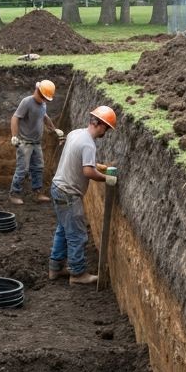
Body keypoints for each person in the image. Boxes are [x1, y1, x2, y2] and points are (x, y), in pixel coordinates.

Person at [48, 106, 118, 286]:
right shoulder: (89, 144)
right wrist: (106, 178)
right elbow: (87, 172)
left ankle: (55, 268)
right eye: (107, 128)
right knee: (77, 235)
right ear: (100, 125)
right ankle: (78, 274)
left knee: (63, 229)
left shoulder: (76, 133)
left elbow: (78, 158)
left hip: (57, 187)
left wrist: (98, 165)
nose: (106, 132)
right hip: (69, 193)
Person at [8, 79, 64, 205]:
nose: (43, 99)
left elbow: (44, 116)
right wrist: (14, 136)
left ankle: (37, 192)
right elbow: (15, 118)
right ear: (37, 91)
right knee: (22, 169)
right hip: (24, 142)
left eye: (45, 98)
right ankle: (14, 193)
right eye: (42, 97)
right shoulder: (27, 102)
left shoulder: (43, 104)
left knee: (38, 168)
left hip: (36, 142)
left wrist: (54, 130)